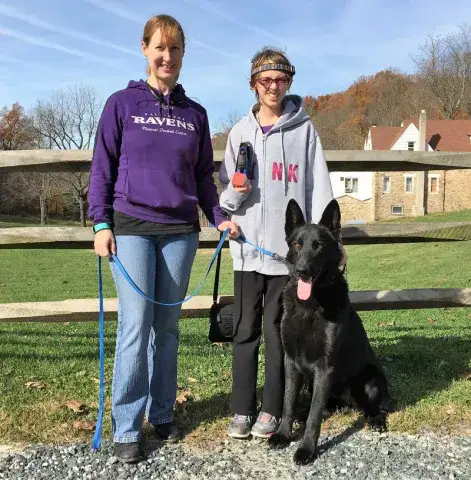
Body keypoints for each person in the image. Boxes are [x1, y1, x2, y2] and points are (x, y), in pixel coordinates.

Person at [88, 14, 238, 463]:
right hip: (131, 226)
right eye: (160, 47)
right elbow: (102, 167)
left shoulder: (196, 115)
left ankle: (162, 412)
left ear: (183, 54)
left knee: (167, 328)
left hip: (180, 232)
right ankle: (127, 426)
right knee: (136, 324)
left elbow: (203, 176)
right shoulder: (121, 104)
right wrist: (100, 223)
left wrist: (219, 217)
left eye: (175, 49)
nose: (167, 56)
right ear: (145, 49)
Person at [219, 46, 340, 439]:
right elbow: (226, 197)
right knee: (245, 329)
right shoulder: (239, 133)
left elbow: (319, 191)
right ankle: (241, 409)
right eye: (266, 80)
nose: (273, 87)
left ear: (288, 82)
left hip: (288, 260)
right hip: (246, 252)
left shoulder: (304, 131)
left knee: (277, 334)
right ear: (254, 84)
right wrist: (235, 195)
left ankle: (272, 410)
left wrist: (330, 247)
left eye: (280, 80)